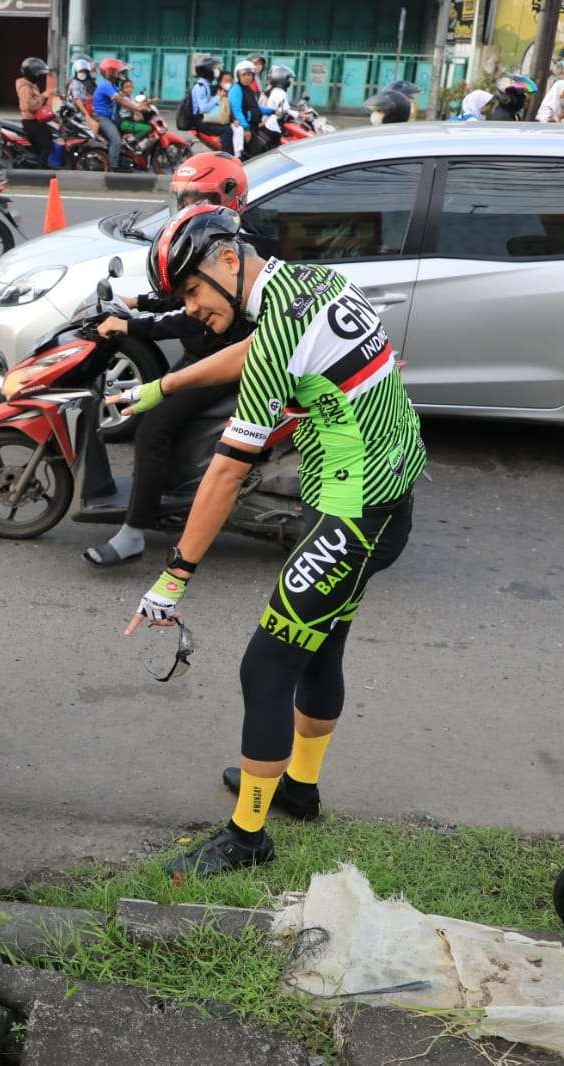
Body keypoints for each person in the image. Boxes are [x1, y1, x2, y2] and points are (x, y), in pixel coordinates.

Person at [114, 205, 424, 875]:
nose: (192, 308)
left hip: (355, 512)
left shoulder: (279, 318)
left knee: (266, 665)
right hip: (380, 501)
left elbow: (226, 471)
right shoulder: (305, 284)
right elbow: (255, 352)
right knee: (319, 648)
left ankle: (248, 838)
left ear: (228, 259)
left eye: (193, 291)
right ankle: (299, 789)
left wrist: (173, 577)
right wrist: (162, 386)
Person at [83, 152, 251, 568]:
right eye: (185, 198)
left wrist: (133, 325)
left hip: (223, 362)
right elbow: (184, 291)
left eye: (199, 198)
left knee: (153, 425)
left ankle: (134, 533)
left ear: (229, 197)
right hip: (205, 353)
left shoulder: (232, 252)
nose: (190, 207)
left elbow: (190, 318)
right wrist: (136, 301)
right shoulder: (211, 241)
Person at [92, 58, 144, 170]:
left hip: (110, 117)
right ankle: (113, 167)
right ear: (110, 73)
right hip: (102, 118)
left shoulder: (113, 86)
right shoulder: (105, 86)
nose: (122, 74)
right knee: (116, 140)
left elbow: (124, 97)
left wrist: (144, 103)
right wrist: (137, 108)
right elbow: (120, 100)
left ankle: (125, 160)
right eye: (119, 72)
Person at [16, 57, 57, 168]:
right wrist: (44, 95)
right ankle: (41, 169)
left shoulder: (31, 85)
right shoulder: (24, 87)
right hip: (30, 121)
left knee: (49, 136)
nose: (40, 76)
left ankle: (39, 163)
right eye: (38, 73)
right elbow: (29, 106)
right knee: (46, 143)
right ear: (31, 73)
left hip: (37, 119)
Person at [190, 55, 233, 149]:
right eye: (214, 68)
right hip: (200, 121)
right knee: (227, 130)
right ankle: (228, 156)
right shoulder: (201, 87)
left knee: (230, 124)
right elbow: (204, 108)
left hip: (205, 118)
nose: (217, 70)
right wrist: (218, 97)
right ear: (207, 70)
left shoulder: (206, 84)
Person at [229, 61, 264, 158]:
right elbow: (237, 110)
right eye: (244, 74)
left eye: (250, 75)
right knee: (256, 153)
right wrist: (246, 128)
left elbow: (255, 107)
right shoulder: (237, 89)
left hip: (253, 125)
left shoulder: (248, 89)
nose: (248, 77)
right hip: (245, 127)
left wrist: (272, 111)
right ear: (238, 76)